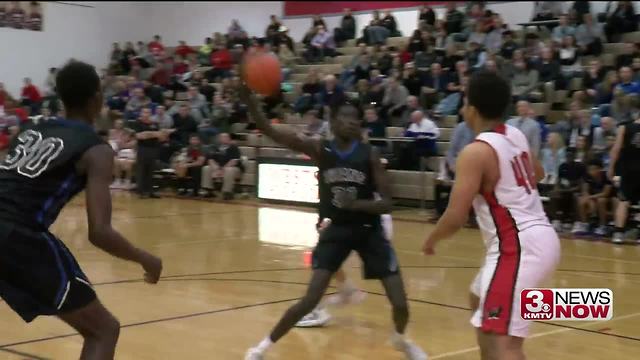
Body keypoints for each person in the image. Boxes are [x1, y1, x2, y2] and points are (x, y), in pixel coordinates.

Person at [241, 85, 426, 360]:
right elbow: (270, 130)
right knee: (310, 299)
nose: (351, 122)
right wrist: (252, 104)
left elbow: (388, 203)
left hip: (369, 230)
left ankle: (401, 340)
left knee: (400, 304)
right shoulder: (320, 148)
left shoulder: (369, 154)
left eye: (356, 119)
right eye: (345, 117)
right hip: (338, 229)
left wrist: (358, 204)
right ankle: (260, 349)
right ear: (334, 121)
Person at [0, 60, 162, 359]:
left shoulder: (28, 128)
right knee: (103, 330)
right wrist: (145, 258)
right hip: (18, 235)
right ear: (97, 98)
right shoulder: (96, 149)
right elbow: (99, 232)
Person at [422, 71, 560, 359]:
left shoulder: (475, 152)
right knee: (478, 298)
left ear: (471, 109)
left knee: (503, 344)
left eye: (464, 103)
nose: (462, 109)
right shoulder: (516, 134)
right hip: (538, 236)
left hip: (519, 246)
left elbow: (456, 216)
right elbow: (538, 173)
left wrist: (432, 240)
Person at [608, 115, 640, 244]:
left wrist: (611, 167)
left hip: (628, 170)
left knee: (623, 201)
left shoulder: (625, 126)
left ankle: (618, 233)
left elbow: (616, 149)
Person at [574, 159, 613, 236]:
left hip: (608, 198)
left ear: (600, 169)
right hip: (592, 198)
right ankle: (584, 224)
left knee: (601, 200)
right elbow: (585, 191)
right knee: (581, 200)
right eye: (590, 169)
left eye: (594, 169)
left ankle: (603, 226)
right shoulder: (587, 176)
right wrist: (589, 200)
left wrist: (591, 197)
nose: (591, 171)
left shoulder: (606, 176)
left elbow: (605, 193)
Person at [133, 107, 165, 199]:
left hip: (153, 149)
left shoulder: (155, 124)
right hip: (143, 148)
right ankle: (141, 191)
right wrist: (154, 134)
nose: (146, 114)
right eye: (144, 112)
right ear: (141, 114)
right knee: (141, 170)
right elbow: (139, 136)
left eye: (148, 112)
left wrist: (148, 134)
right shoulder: (137, 123)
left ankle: (150, 191)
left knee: (151, 170)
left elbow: (161, 136)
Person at [201, 133, 243, 200]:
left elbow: (234, 161)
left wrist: (222, 169)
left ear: (229, 138)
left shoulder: (234, 147)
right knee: (206, 168)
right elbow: (210, 159)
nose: (224, 138)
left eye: (226, 137)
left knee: (229, 170)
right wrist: (215, 168)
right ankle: (209, 190)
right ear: (219, 139)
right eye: (222, 137)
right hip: (219, 168)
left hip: (234, 168)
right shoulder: (215, 148)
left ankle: (227, 192)